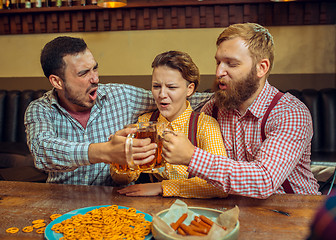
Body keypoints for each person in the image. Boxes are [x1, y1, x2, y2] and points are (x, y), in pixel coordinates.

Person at [161, 23, 320, 199]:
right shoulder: (212, 109)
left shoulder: (290, 113)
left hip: (296, 213)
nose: (219, 72)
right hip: (239, 211)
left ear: (261, 68)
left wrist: (192, 157)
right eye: (218, 62)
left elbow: (264, 180)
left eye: (232, 64)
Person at [24, 36, 211, 186]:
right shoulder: (40, 109)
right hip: (62, 201)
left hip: (115, 201)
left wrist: (226, 97)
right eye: (83, 73)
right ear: (57, 82)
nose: (95, 79)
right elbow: (42, 152)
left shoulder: (121, 96)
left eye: (95, 69)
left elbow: (173, 98)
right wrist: (105, 151)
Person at [117, 50, 228, 198]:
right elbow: (123, 178)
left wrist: (162, 187)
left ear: (190, 89)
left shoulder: (205, 125)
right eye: (156, 86)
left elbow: (219, 186)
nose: (162, 94)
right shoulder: (145, 122)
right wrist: (121, 162)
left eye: (171, 87)